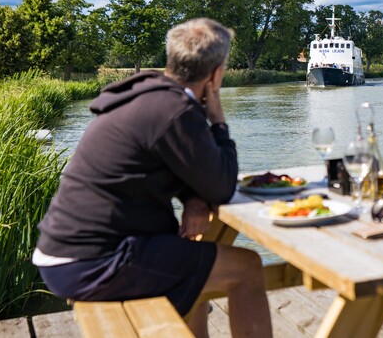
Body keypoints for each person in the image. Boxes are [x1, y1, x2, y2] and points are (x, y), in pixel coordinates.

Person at [34, 18, 272, 338]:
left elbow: (178, 167)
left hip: (67, 254)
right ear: (216, 74)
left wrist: (193, 199)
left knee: (198, 278)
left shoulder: (148, 95)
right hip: (94, 263)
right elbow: (223, 187)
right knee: (247, 269)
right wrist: (218, 120)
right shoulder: (175, 110)